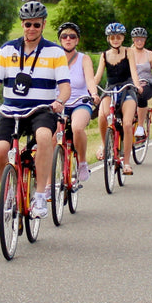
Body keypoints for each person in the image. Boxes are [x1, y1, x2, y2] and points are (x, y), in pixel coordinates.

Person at [0, 1, 70, 216]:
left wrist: (60, 102)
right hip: (10, 110)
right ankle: (9, 192)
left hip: (41, 110)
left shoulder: (55, 52)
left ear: (44, 24)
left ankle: (39, 196)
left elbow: (65, 87)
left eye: (36, 25)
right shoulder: (7, 49)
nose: (31, 29)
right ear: (22, 24)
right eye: (28, 24)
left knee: (45, 137)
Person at [56, 21, 100, 184]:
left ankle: (82, 162)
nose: (68, 39)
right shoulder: (54, 58)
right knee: (49, 136)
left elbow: (89, 79)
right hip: (58, 103)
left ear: (77, 40)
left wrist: (94, 93)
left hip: (79, 101)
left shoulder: (84, 59)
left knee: (77, 127)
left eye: (72, 36)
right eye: (64, 36)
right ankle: (49, 180)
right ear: (60, 40)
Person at [97, 22, 142, 174]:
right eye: (112, 37)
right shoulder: (104, 55)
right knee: (102, 115)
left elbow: (134, 72)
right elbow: (97, 77)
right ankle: (104, 145)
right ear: (108, 39)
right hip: (110, 88)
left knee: (128, 124)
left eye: (118, 37)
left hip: (126, 88)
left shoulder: (129, 52)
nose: (115, 40)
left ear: (123, 38)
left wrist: (137, 85)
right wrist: (91, 91)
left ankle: (127, 162)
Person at [130, 26, 152, 138]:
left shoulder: (149, 54)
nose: (139, 42)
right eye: (137, 39)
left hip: (146, 84)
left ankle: (140, 126)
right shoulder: (128, 53)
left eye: (142, 39)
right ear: (133, 40)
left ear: (145, 40)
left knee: (141, 94)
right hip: (131, 84)